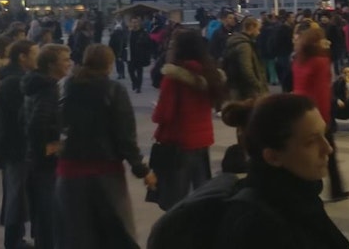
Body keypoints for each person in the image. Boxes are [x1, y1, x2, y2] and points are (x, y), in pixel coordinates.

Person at [215, 94, 349, 248]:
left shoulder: (298, 195)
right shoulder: (256, 224)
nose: (328, 149)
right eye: (310, 142)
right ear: (273, 157)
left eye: (324, 135)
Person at [55, 44, 156, 248]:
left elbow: (54, 122)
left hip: (69, 171)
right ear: (109, 64)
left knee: (76, 235)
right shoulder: (114, 90)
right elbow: (125, 136)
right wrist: (142, 170)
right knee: (117, 233)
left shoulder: (66, 86)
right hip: (105, 172)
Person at [152, 30, 226, 209]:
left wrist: (156, 110)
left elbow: (163, 115)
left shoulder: (174, 78)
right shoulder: (211, 75)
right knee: (201, 193)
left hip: (178, 143)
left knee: (176, 199)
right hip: (202, 140)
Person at [291, 26, 349, 201]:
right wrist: (325, 119)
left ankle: (327, 189)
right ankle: (334, 190)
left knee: (307, 153)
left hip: (300, 109)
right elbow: (322, 92)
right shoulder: (320, 61)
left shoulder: (299, 60)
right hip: (316, 112)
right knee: (327, 153)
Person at [23, 44, 74, 249]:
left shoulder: (36, 84)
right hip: (44, 162)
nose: (69, 63)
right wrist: (51, 146)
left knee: (44, 210)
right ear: (52, 65)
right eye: (65, 60)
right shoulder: (48, 88)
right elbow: (38, 123)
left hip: (34, 158)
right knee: (48, 209)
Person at [0, 40, 38, 249]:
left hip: (13, 146)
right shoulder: (16, 82)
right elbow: (18, 118)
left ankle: (16, 238)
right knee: (16, 195)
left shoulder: (13, 78)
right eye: (34, 53)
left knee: (17, 194)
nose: (37, 58)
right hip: (17, 147)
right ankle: (13, 241)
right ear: (22, 56)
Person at [224, 17, 269, 100]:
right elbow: (247, 68)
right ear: (251, 27)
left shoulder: (234, 41)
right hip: (247, 89)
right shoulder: (245, 46)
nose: (259, 33)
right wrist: (258, 84)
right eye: (258, 29)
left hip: (236, 84)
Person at [127, 17, 153, 93]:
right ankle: (134, 82)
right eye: (133, 22)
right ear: (131, 23)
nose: (134, 24)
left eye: (136, 22)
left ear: (139, 23)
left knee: (139, 72)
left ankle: (138, 87)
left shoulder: (143, 33)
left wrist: (147, 53)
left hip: (140, 55)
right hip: (130, 55)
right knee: (130, 71)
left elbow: (149, 44)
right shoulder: (129, 33)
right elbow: (125, 43)